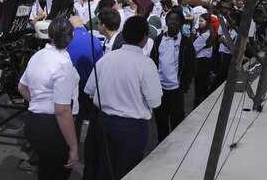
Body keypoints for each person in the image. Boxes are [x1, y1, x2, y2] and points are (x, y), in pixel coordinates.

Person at [84, 16, 162, 180]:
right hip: (132, 128)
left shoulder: (106, 59)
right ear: (145, 37)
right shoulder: (146, 64)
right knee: (127, 172)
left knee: (105, 168)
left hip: (104, 122)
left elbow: (89, 89)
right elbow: (155, 101)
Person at [18, 18, 80, 180]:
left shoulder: (38, 55)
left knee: (47, 170)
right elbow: (62, 111)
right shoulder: (63, 65)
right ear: (71, 37)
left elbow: (22, 87)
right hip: (52, 128)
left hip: (34, 122)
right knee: (56, 173)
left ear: (50, 36)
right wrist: (74, 147)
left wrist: (38, 102)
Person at [150, 11, 196, 143]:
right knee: (161, 122)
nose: (172, 22)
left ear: (181, 23)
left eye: (176, 20)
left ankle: (176, 149)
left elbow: (192, 67)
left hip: (176, 89)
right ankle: (160, 150)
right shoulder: (159, 39)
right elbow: (153, 61)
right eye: (170, 19)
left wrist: (183, 86)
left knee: (177, 123)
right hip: (160, 89)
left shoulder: (186, 43)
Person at [193, 13, 215, 107]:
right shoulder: (208, 33)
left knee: (199, 85)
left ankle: (197, 104)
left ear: (207, 22)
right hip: (205, 62)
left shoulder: (204, 36)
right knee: (204, 85)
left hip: (201, 62)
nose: (200, 23)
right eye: (200, 21)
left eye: (202, 21)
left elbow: (193, 49)